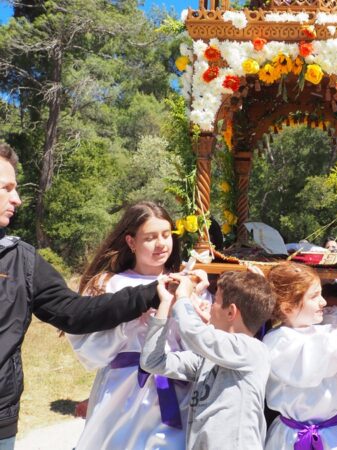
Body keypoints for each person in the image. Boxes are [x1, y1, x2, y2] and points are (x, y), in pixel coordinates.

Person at [0, 143, 163, 449]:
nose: (17, 198)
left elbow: (75, 313)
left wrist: (152, 294)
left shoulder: (21, 260)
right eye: (6, 188)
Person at [67, 201, 188, 450]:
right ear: (131, 242)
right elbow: (87, 348)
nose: (161, 244)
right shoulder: (108, 284)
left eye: (166, 235)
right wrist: (128, 323)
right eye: (150, 238)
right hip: (123, 392)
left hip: (176, 390)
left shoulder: (185, 282)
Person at [141, 270, 275, 450]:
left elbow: (195, 333)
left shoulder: (252, 350)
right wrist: (165, 305)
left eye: (216, 301)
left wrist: (183, 298)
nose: (210, 305)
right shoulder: (208, 359)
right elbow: (152, 361)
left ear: (231, 312)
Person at [262, 262, 337, 450]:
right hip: (291, 438)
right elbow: (330, 351)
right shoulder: (277, 341)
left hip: (335, 436)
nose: (323, 302)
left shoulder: (323, 332)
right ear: (288, 307)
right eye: (314, 296)